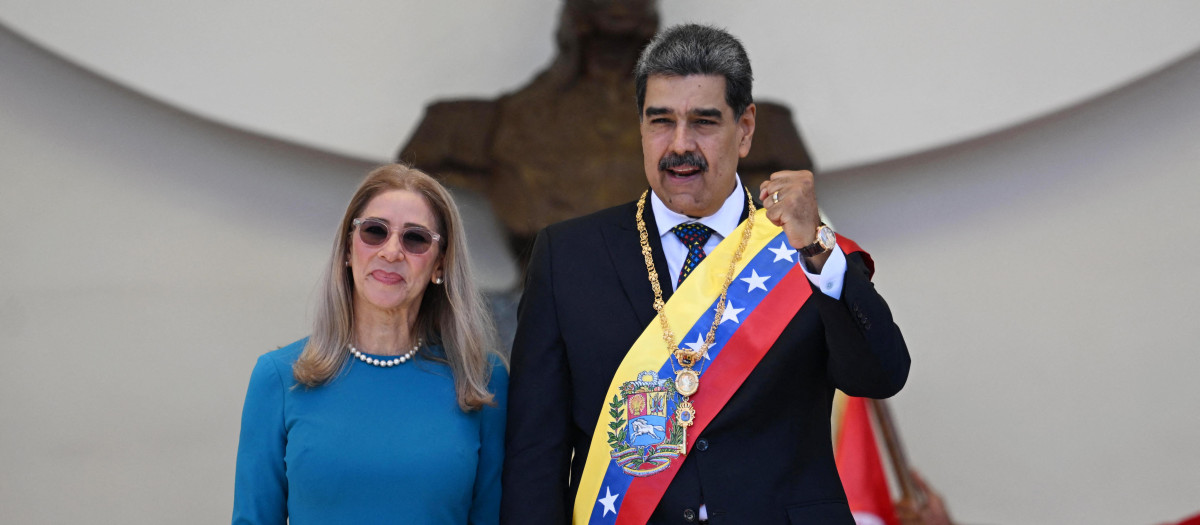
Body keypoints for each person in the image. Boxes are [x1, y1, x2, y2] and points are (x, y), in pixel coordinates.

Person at [501, 24, 910, 525]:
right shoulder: (567, 255)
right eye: (660, 121)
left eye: (704, 122)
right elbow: (533, 455)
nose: (679, 145)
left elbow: (880, 375)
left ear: (745, 129)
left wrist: (817, 251)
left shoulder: (798, 246)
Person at [233, 164, 507, 524]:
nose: (391, 252)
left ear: (440, 264)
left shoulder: (481, 380)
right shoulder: (278, 378)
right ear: (348, 250)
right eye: (374, 232)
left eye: (415, 238)